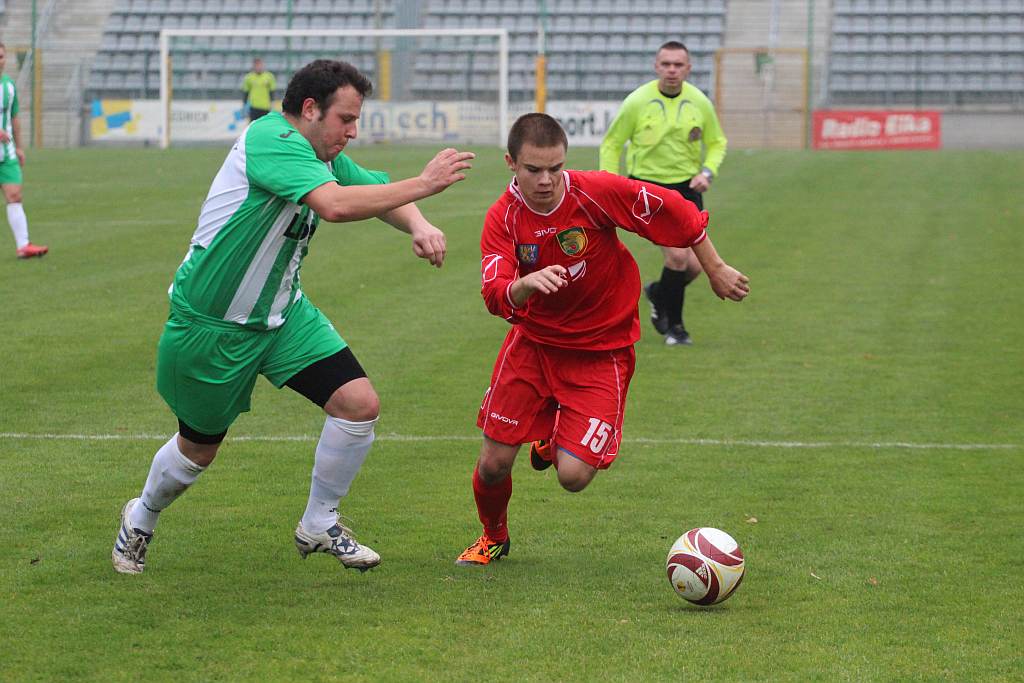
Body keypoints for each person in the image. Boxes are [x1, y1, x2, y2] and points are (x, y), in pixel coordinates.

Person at [112, 60, 474, 575]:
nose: (352, 131)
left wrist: (418, 223)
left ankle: (319, 522)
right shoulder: (273, 139)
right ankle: (141, 516)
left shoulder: (320, 152)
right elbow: (336, 206)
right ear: (310, 109)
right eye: (345, 119)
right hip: (213, 326)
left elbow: (368, 187)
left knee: (358, 403)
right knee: (197, 451)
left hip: (282, 317)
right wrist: (425, 184)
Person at [455, 113, 748, 566]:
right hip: (533, 347)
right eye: (534, 170)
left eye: (556, 168)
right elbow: (494, 293)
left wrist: (715, 267)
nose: (547, 180)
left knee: (572, 477)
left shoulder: (594, 192)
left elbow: (674, 210)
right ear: (511, 163)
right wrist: (524, 285)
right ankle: (493, 536)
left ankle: (552, 439)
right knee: (493, 464)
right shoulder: (503, 219)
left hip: (601, 351)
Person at [600, 40, 727, 346]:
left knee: (697, 266)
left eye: (678, 64)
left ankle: (658, 294)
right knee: (679, 257)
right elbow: (611, 143)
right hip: (648, 190)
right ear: (656, 66)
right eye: (666, 64)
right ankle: (676, 329)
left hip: (687, 189)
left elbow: (718, 142)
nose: (672, 70)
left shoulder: (700, 102)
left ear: (688, 68)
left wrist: (706, 172)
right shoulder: (636, 102)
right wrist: (607, 184)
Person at [0, 43, 47, 259]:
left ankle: (23, 246)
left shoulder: (9, 86)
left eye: (1, 56)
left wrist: (19, 147)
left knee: (14, 195)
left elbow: (14, 117)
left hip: (6, 153)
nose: (0, 61)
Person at [242, 57, 277, 122]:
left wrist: (272, 104)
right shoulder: (249, 77)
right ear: (253, 66)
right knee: (253, 126)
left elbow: (272, 92)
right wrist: (244, 105)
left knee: (265, 126)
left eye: (260, 65)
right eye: (256, 65)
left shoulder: (269, 77)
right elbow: (246, 92)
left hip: (265, 107)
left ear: (263, 65)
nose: (258, 67)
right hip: (253, 107)